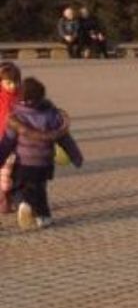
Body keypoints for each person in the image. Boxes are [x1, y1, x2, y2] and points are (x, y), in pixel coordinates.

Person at [0, 76, 83, 229]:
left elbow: (7, 142)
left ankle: (24, 204)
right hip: (43, 162)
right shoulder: (51, 115)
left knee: (19, 186)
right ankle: (43, 217)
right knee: (39, 188)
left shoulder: (16, 116)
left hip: (23, 161)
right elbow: (65, 139)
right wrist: (76, 156)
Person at [0, 61, 22, 213]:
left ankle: (14, 199)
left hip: (19, 142)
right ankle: (5, 199)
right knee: (5, 174)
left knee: (16, 173)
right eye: (8, 83)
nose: (12, 86)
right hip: (3, 142)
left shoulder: (22, 97)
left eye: (15, 82)